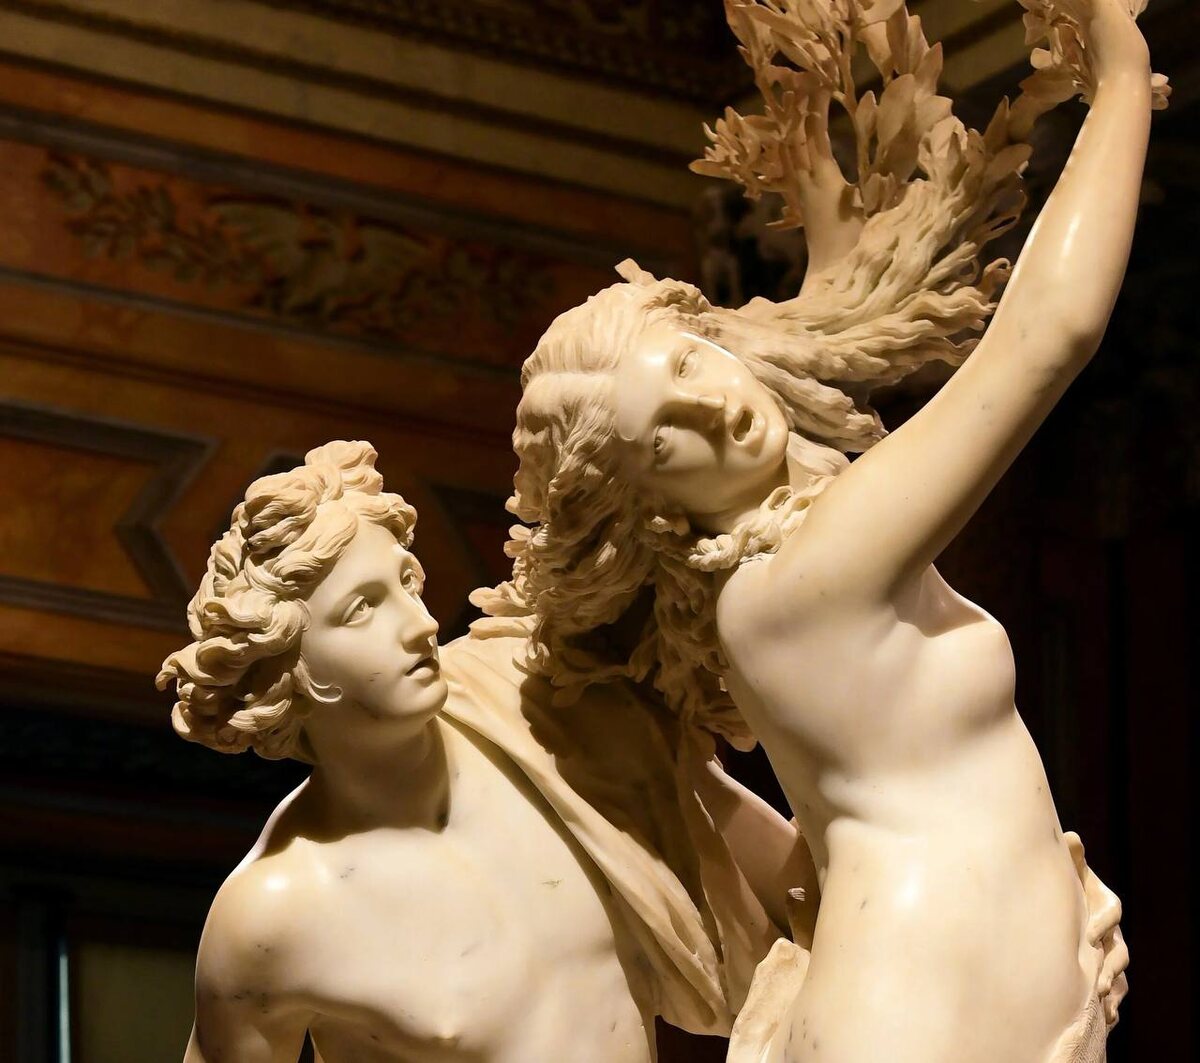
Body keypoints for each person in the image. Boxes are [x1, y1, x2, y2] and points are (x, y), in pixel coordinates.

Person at [474, 1, 1146, 1059]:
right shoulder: (814, 569)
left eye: (688, 364)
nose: (712, 408)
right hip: (924, 1004)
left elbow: (813, 836)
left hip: (936, 977)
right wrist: (1121, 79)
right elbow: (1047, 332)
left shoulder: (767, 574)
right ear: (651, 505)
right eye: (664, 438)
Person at [158, 440, 811, 1062]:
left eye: (408, 584)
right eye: (363, 609)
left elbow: (790, 888)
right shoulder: (274, 917)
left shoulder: (536, 704)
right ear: (289, 666)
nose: (421, 625)